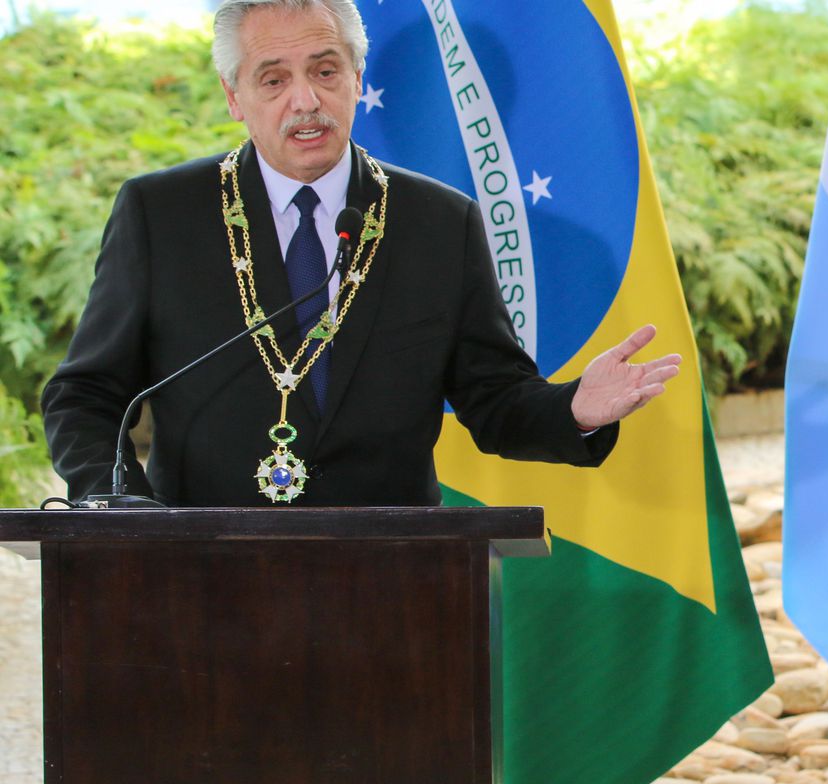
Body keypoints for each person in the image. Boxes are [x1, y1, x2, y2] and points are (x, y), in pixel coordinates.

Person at [41, 0, 679, 506]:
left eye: (325, 71)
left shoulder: (439, 221)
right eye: (273, 79)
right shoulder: (162, 213)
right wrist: (120, 509)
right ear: (234, 96)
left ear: (356, 77)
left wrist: (574, 409)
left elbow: (494, 397)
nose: (305, 100)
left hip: (392, 573)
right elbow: (87, 394)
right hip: (197, 570)